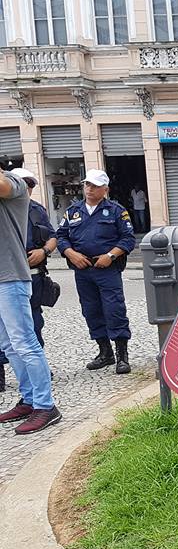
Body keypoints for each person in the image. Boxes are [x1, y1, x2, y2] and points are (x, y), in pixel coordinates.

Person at [56, 169, 135, 375]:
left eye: (94, 186)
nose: (89, 189)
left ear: (105, 189)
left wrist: (110, 256)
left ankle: (122, 356)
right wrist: (71, 254)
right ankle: (105, 352)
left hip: (107, 268)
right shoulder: (73, 211)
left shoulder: (117, 211)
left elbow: (127, 239)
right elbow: (62, 236)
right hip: (82, 269)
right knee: (91, 310)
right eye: (87, 185)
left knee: (114, 309)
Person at [0, 169, 59, 434]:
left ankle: (46, 406)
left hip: (11, 277)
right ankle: (29, 400)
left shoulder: (13, 183)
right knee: (9, 345)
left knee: (25, 343)